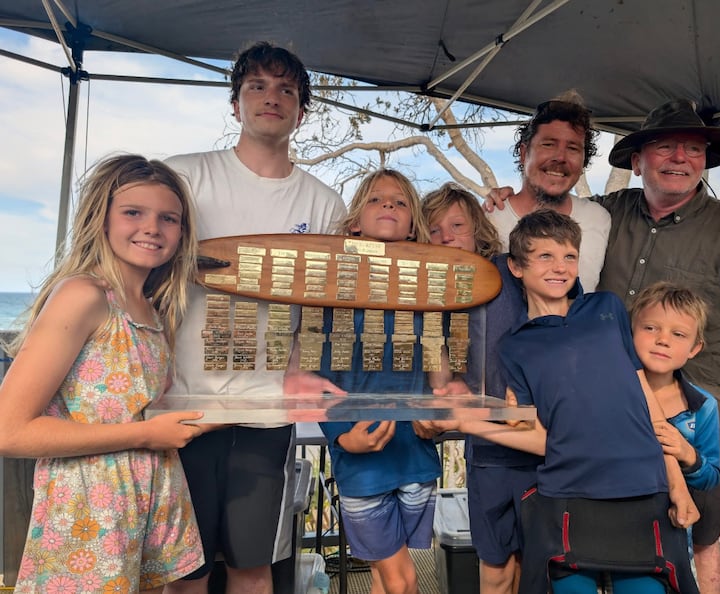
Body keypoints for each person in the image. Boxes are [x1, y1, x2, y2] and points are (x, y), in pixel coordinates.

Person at [485, 99, 720, 593]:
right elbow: (549, 220)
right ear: (637, 161)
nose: (679, 158)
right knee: (582, 551)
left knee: (695, 544)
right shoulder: (606, 213)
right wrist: (507, 196)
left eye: (693, 149)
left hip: (689, 418)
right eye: (665, 146)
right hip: (599, 421)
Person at [430, 210, 699, 593]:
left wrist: (677, 482)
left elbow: (645, 402)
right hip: (568, 494)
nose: (560, 267)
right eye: (545, 256)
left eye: (569, 257)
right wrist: (466, 423)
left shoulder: (607, 309)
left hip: (642, 488)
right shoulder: (515, 346)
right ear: (516, 267)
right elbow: (541, 437)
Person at [163, 42, 347, 594]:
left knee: (252, 565)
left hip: (266, 409)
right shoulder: (183, 176)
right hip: (179, 403)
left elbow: (317, 304)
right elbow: (147, 280)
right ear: (235, 103)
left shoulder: (323, 203)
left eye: (287, 89)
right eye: (257, 87)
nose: (273, 98)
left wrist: (298, 365)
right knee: (184, 570)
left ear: (302, 109)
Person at [0, 155, 207, 593]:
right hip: (87, 513)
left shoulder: (154, 310)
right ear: (103, 219)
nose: (152, 227)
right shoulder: (85, 294)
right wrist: (145, 436)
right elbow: (9, 430)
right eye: (133, 212)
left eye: (168, 218)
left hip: (149, 499)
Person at [313, 169, 444, 594]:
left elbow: (440, 371)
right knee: (401, 578)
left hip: (418, 456)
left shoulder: (428, 291)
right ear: (354, 223)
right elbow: (315, 377)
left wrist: (438, 419)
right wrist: (339, 438)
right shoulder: (331, 291)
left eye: (400, 201)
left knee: (382, 574)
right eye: (375, 199)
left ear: (412, 224)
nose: (388, 205)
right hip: (361, 457)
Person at [422, 184, 532, 594]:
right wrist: (445, 387)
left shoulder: (510, 269)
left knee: (537, 560)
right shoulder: (433, 288)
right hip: (487, 448)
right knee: (496, 560)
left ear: (478, 229)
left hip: (540, 439)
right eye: (433, 229)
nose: (446, 236)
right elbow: (437, 356)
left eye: (456, 225)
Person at [485, 91, 610, 291]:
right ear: (524, 153)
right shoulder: (489, 220)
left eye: (573, 148)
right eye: (548, 144)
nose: (560, 157)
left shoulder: (598, 218)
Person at [631, 282, 720, 494]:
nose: (663, 340)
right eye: (650, 328)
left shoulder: (703, 407)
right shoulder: (607, 393)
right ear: (631, 332)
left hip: (670, 522)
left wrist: (688, 454)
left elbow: (711, 478)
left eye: (678, 334)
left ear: (695, 348)